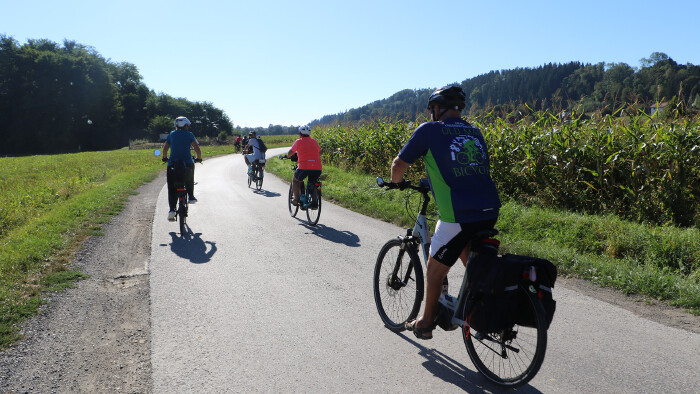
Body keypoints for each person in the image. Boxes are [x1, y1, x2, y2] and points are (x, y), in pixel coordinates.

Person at [390, 86, 501, 340]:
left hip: (457, 215)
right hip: (489, 209)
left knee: (434, 270)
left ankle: (426, 323)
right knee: (471, 261)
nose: (431, 114)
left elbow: (399, 164)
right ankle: (484, 309)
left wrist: (396, 182)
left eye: (432, 110)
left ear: (437, 108)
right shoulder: (474, 131)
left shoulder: (429, 130)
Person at [162, 116, 203, 221]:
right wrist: (199, 158)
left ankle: (171, 210)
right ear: (185, 125)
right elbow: (197, 149)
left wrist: (165, 158)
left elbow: (165, 148)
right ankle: (191, 196)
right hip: (187, 163)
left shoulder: (171, 134)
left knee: (171, 187)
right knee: (189, 179)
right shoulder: (189, 135)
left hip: (172, 164)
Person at [281, 125, 322, 206]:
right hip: (317, 168)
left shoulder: (298, 141)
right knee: (312, 182)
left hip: (304, 167)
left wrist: (288, 156)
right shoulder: (314, 141)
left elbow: (291, 152)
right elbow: (319, 152)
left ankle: (296, 199)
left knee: (295, 180)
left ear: (300, 133)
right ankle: (314, 202)